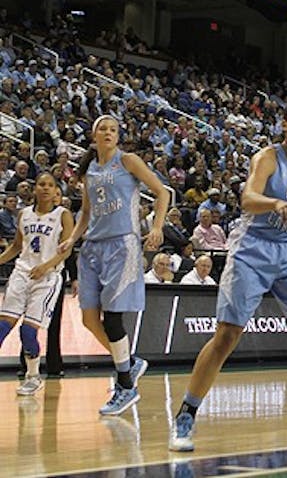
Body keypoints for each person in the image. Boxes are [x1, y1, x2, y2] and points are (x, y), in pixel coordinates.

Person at [169, 99, 287, 453]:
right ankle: (186, 415)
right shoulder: (267, 157)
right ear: (285, 124)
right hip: (254, 248)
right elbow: (248, 198)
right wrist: (274, 203)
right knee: (226, 337)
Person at [58, 115, 169, 415]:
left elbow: (163, 192)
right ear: (93, 135)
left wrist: (157, 226)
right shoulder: (90, 170)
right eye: (102, 129)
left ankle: (126, 386)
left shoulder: (128, 161)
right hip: (92, 248)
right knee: (89, 320)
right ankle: (130, 364)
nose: (108, 133)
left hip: (123, 246)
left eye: (113, 130)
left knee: (113, 320)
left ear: (118, 136)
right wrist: (72, 240)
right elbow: (86, 212)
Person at [0, 173, 74, 394]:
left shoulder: (63, 214)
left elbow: (67, 249)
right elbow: (16, 247)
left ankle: (33, 375)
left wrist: (46, 265)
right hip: (22, 272)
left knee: (28, 333)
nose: (45, 188)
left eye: (50, 185)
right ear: (35, 189)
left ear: (55, 191)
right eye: (41, 184)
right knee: (3, 326)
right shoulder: (24, 214)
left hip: (48, 277)